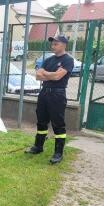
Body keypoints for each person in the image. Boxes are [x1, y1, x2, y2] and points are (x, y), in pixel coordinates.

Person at [26, 35, 74, 165]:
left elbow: (58, 77)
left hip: (57, 95)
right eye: (52, 44)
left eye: (56, 44)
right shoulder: (48, 60)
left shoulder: (68, 60)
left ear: (64, 45)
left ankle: (58, 153)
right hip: (44, 93)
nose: (53, 46)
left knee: (58, 124)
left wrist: (46, 73)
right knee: (41, 121)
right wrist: (51, 75)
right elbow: (37, 76)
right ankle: (38, 146)